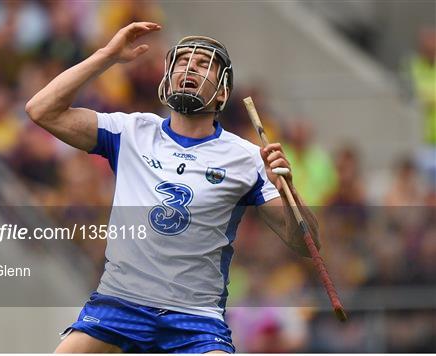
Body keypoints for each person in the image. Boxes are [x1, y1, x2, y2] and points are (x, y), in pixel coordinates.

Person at [26, 22, 319, 353]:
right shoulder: (130, 130)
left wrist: (288, 190)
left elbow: (305, 244)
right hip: (120, 307)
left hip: (195, 320)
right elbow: (41, 109)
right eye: (181, 62)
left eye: (203, 64)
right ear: (167, 78)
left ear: (222, 92)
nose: (189, 66)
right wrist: (107, 56)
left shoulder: (250, 158)